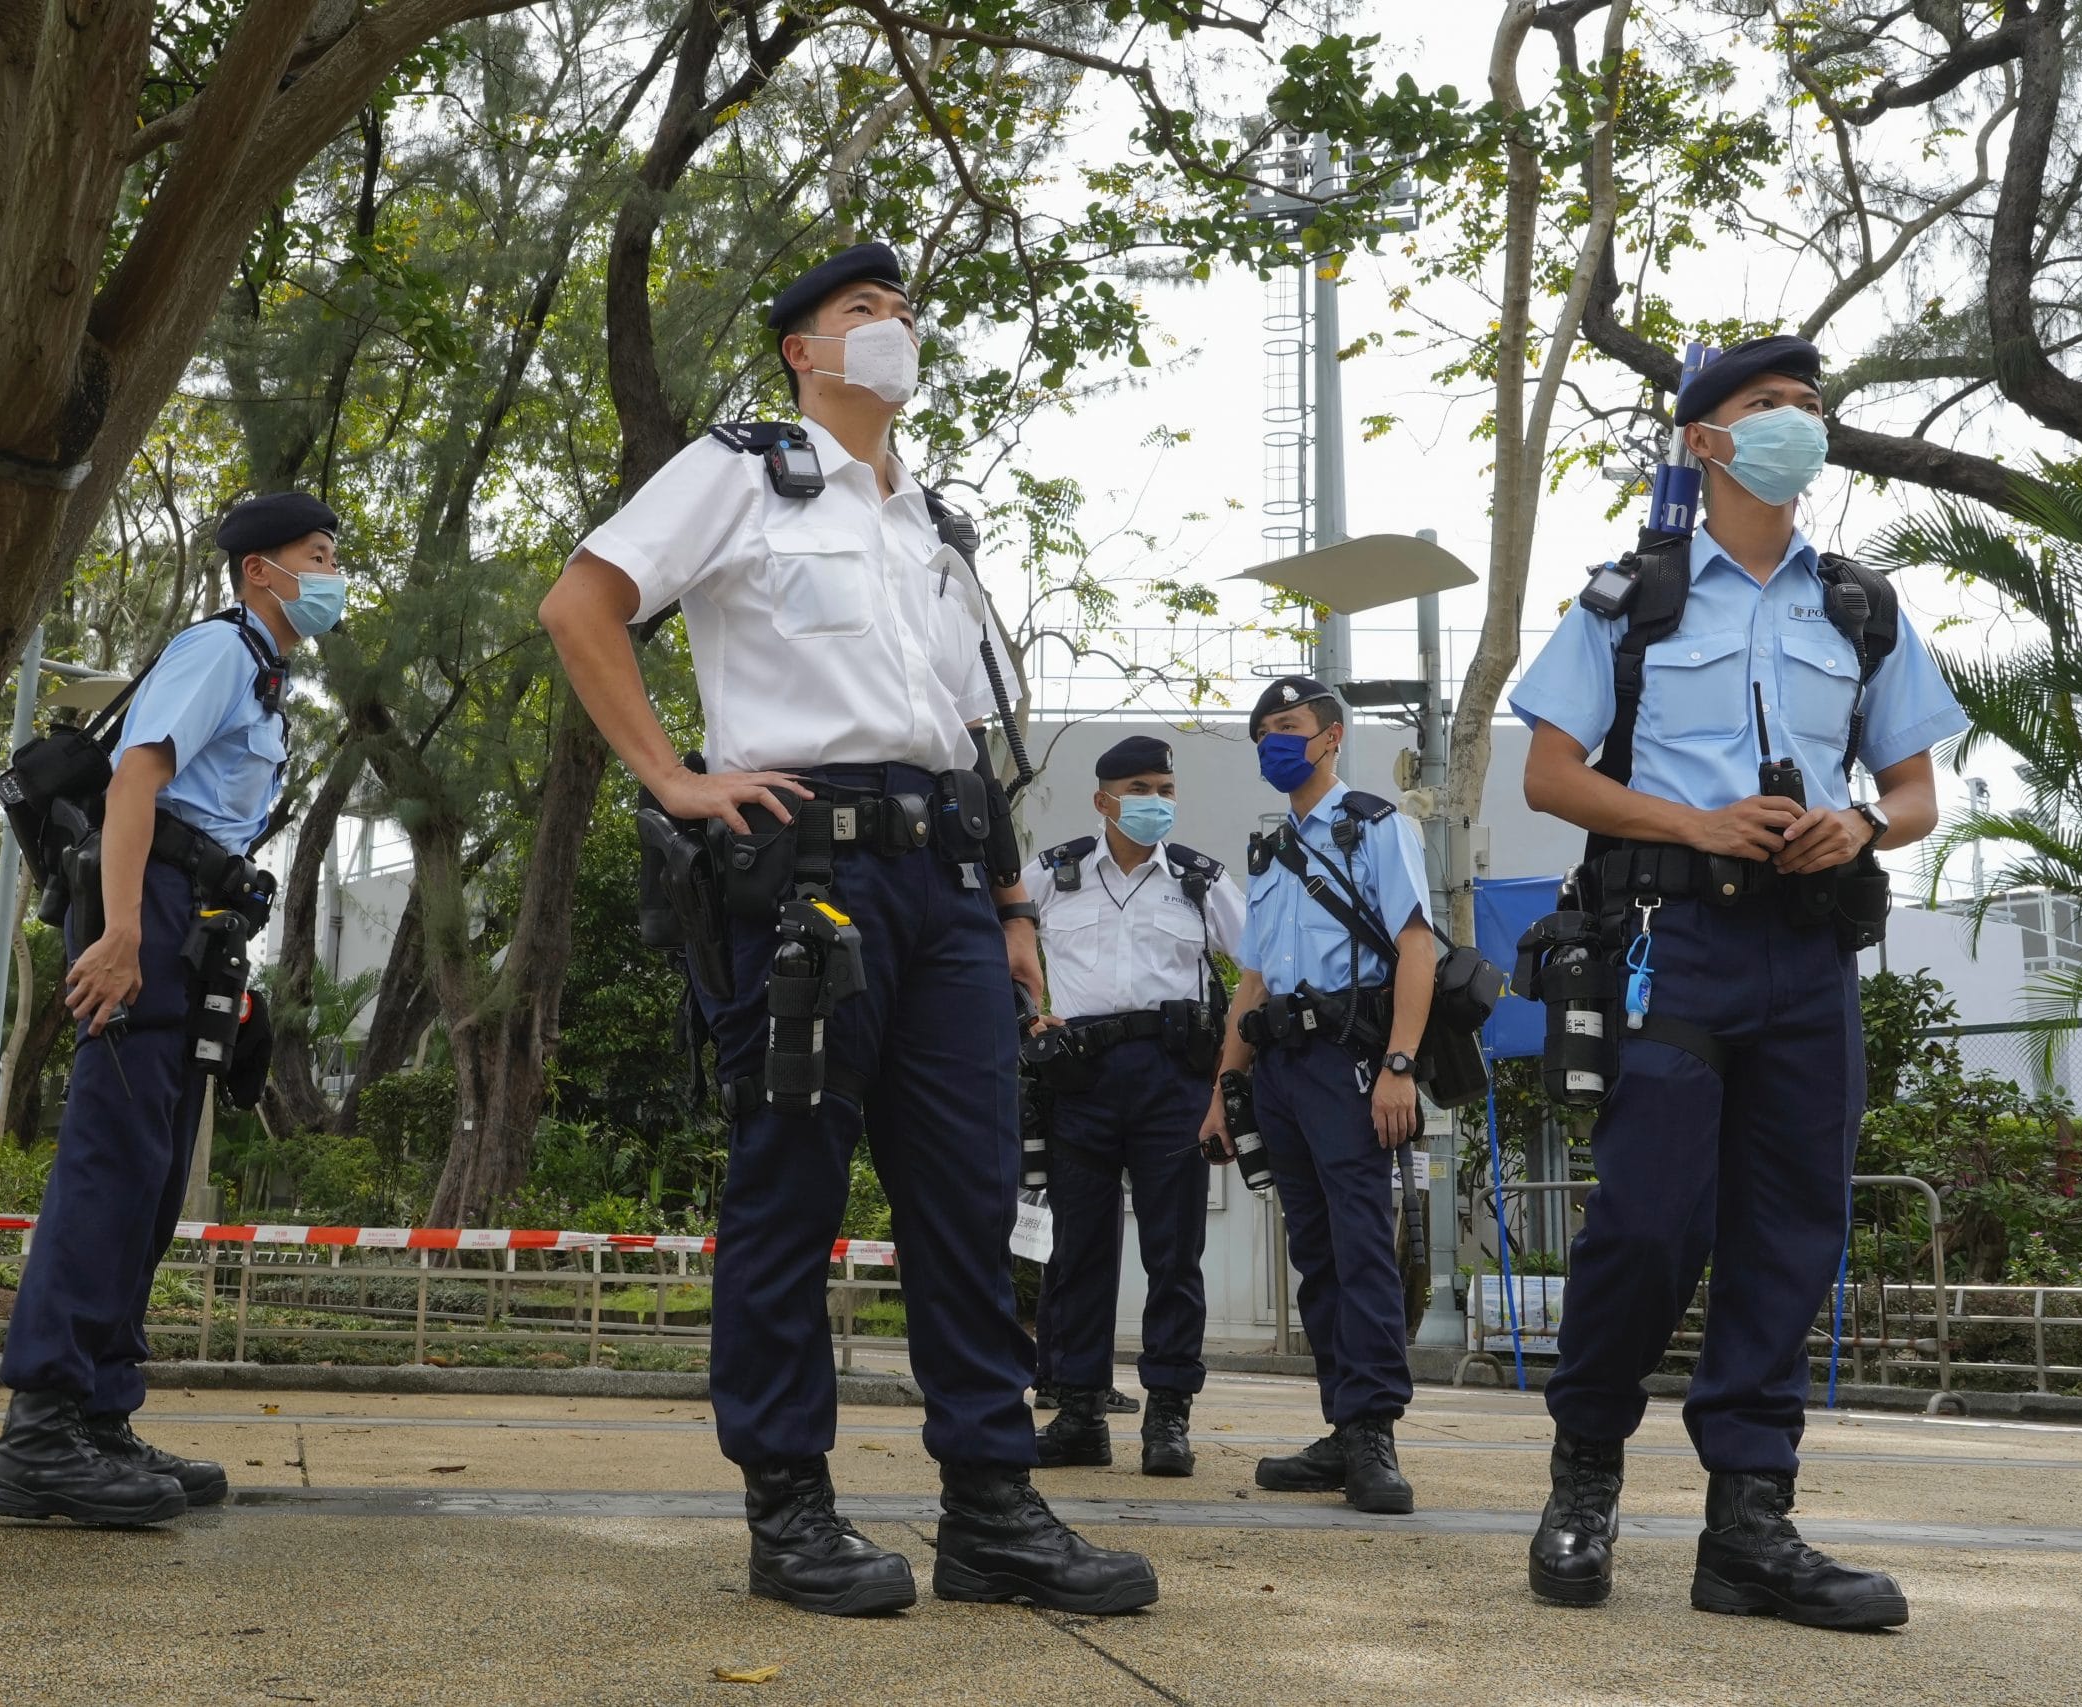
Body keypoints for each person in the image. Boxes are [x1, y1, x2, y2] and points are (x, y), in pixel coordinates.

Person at [539, 242, 1157, 1618]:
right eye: (861, 312)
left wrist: (1008, 906)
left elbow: (962, 745)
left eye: (904, 313)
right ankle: (790, 1508)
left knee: (968, 1194)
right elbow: (581, 604)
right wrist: (675, 777)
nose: (894, 330)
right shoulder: (740, 470)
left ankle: (991, 1505)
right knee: (791, 1186)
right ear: (799, 351)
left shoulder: (933, 522)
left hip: (943, 881)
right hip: (804, 872)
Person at [1509, 334, 1965, 1630]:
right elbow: (1550, 773)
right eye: (1770, 407)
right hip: (1673, 938)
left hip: (1810, 947)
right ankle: (1583, 1471)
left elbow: (1917, 786)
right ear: (1706, 440)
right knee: (1648, 1219)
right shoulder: (1628, 600)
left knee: (1792, 1230)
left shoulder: (1860, 606)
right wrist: (1692, 822)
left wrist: (1865, 826)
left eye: (1811, 409)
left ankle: (1749, 1523)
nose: (1799, 426)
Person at [0, 492, 341, 1527]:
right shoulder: (220, 649)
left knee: (150, 1173)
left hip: (200, 919)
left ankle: (99, 1413)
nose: (330, 576)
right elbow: (138, 782)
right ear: (258, 571)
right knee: (110, 1162)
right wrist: (124, 931)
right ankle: (42, 1430)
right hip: (153, 906)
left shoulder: (266, 683)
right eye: (314, 557)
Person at [1201, 677, 1433, 1516]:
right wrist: (1225, 1089)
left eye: (1289, 726)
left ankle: (1374, 1430)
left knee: (1362, 1244)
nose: (1274, 739)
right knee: (1318, 1252)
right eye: (1263, 729)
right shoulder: (1268, 854)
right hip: (1283, 1073)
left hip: (1352, 1061)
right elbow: (1252, 981)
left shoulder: (1374, 825)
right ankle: (1343, 1422)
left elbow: (1416, 945)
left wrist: (1400, 1064)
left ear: (1331, 737)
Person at [1021, 736, 1243, 1477]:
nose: (1159, 801)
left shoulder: (1197, 881)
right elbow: (993, 939)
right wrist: (1025, 1012)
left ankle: (1168, 1415)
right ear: (1103, 799)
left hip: (1170, 1078)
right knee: (1079, 1252)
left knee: (1174, 1253)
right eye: (1143, 787)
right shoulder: (1053, 876)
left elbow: (1263, 966)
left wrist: (1227, 1088)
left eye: (1168, 789)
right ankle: (1080, 1411)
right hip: (1079, 1078)